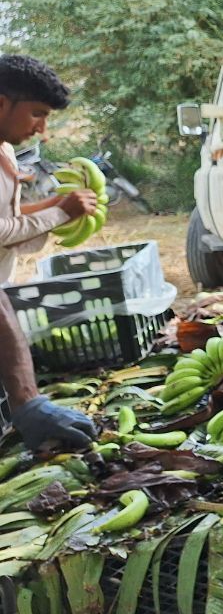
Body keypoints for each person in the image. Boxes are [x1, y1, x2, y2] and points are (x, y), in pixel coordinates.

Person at [0, 54, 99, 451]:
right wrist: (59, 211)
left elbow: (10, 219)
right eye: (37, 114)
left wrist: (57, 210)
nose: (41, 129)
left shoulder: (5, 151)